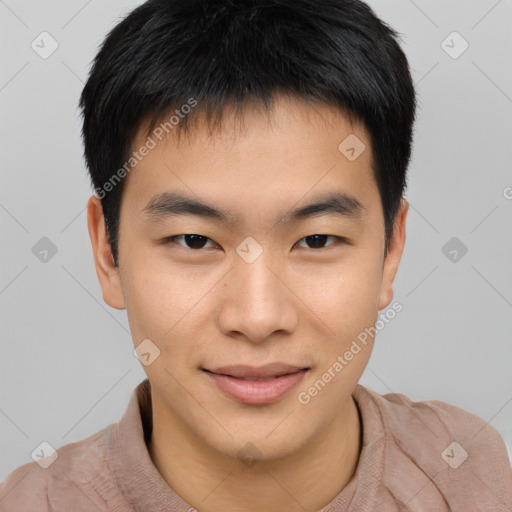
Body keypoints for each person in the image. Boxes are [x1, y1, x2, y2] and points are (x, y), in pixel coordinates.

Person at [1, 0, 511, 510]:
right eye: (195, 241)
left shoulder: (469, 476)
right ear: (108, 252)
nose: (258, 317)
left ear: (390, 249)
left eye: (316, 240)